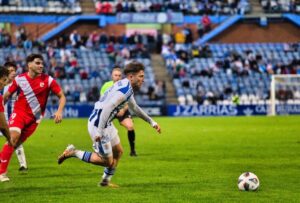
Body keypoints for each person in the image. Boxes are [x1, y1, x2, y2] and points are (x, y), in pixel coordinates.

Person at [58, 61, 161, 187]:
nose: (143, 80)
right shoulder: (123, 91)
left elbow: (134, 107)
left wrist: (152, 122)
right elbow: (107, 108)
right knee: (106, 161)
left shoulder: (125, 85)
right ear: (131, 77)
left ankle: (105, 182)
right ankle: (74, 152)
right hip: (98, 124)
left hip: (106, 122)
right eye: (141, 76)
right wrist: (99, 132)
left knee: (118, 152)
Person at [0, 54, 66, 182]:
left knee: (14, 144)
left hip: (35, 119)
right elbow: (6, 96)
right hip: (19, 114)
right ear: (29, 65)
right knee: (12, 138)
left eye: (42, 63)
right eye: (37, 63)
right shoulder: (20, 79)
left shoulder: (48, 80)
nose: (41, 65)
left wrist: (59, 111)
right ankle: (2, 173)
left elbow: (62, 96)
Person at [100, 66, 138, 156]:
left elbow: (128, 101)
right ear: (112, 76)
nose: (117, 77)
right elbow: (102, 102)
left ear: (121, 77)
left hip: (122, 109)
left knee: (130, 126)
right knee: (101, 129)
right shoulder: (106, 86)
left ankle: (132, 151)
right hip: (109, 111)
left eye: (119, 75)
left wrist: (123, 109)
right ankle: (102, 150)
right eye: (115, 75)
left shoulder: (125, 85)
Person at [0, 62, 28, 171]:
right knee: (12, 139)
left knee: (15, 140)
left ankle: (23, 165)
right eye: (10, 71)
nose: (13, 73)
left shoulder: (19, 86)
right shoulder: (2, 87)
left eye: (14, 70)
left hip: (12, 117)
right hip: (2, 117)